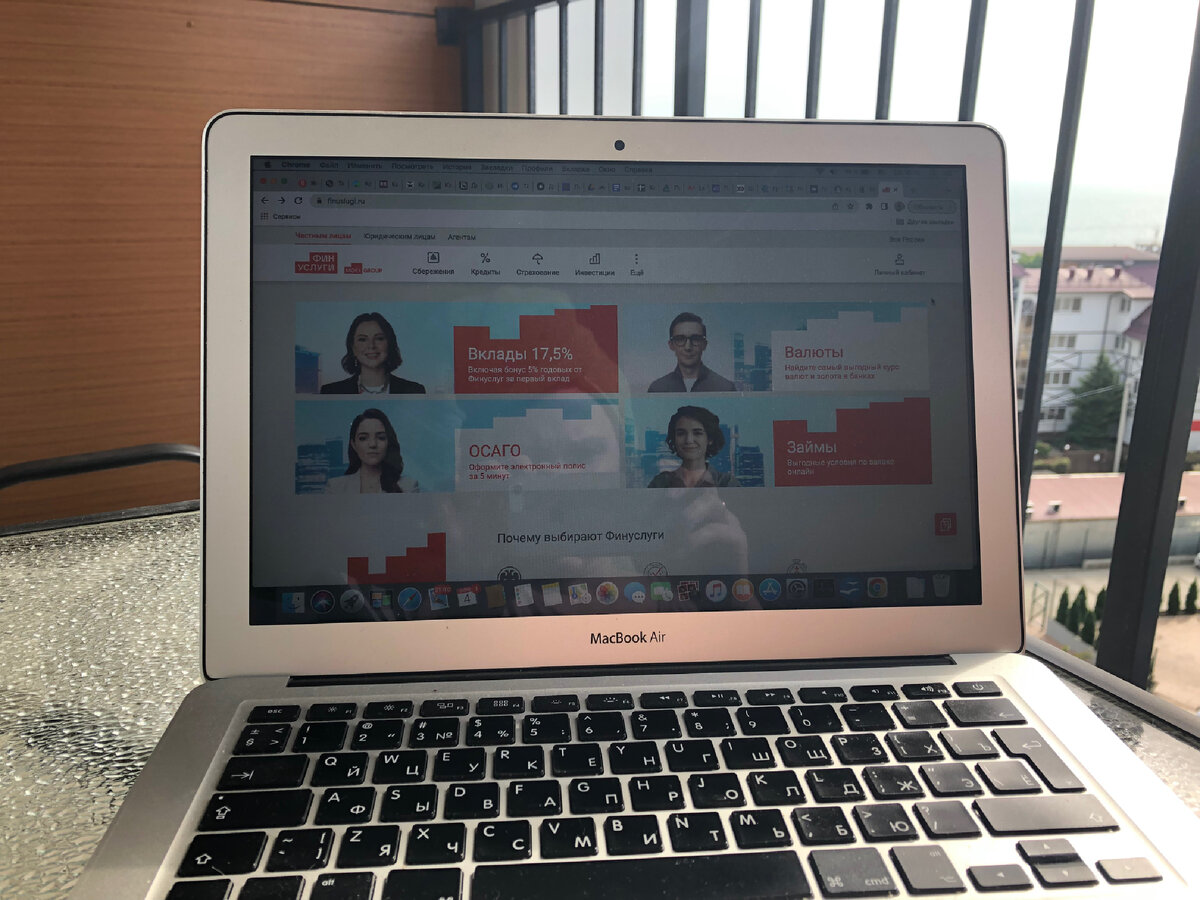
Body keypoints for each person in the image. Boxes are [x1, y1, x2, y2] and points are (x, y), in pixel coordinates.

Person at [320, 312, 426, 395]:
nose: (371, 345)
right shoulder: (330, 391)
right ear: (352, 347)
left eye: (379, 338)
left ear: (390, 344)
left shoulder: (415, 390)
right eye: (362, 339)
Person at [325, 408, 419, 493]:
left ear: (389, 442)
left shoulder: (408, 487)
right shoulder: (335, 487)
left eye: (381, 437)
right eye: (363, 438)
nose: (373, 444)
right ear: (354, 444)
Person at [648, 406, 739, 488]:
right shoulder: (660, 483)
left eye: (697, 433)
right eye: (681, 433)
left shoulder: (727, 483)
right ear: (674, 438)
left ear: (710, 439)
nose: (689, 440)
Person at [647, 311, 735, 392]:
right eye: (680, 339)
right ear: (671, 345)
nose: (688, 347)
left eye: (695, 339)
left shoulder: (725, 388)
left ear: (704, 344)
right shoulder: (657, 389)